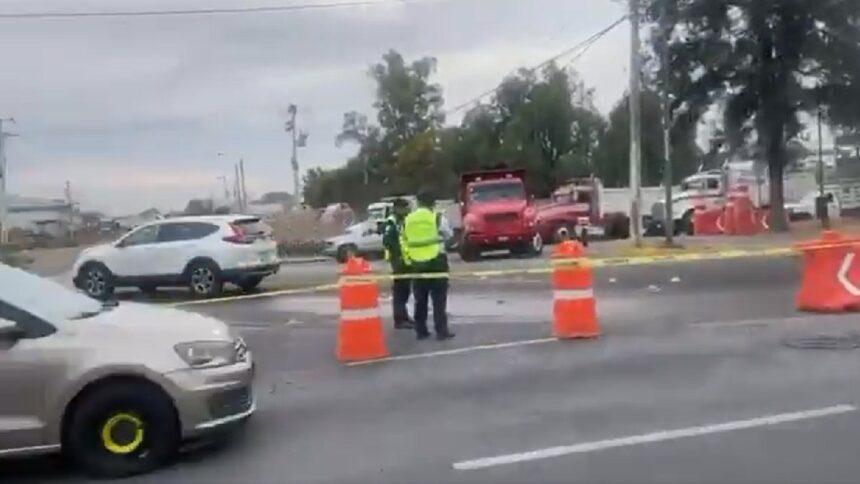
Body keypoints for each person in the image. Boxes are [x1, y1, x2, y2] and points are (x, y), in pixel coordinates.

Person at [402, 190, 454, 341]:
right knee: (439, 299)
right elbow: (448, 235)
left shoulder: (408, 219)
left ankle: (421, 330)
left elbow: (404, 239)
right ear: (433, 203)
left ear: (417, 202)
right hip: (437, 261)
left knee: (420, 299)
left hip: (417, 263)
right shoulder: (437, 217)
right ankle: (441, 331)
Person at [382, 198, 414, 330]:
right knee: (400, 291)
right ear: (397, 208)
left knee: (405, 290)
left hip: (406, 261)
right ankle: (399, 319)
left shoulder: (403, 220)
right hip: (398, 261)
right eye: (404, 207)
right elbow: (387, 240)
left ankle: (404, 316)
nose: (407, 210)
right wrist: (397, 255)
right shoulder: (392, 222)